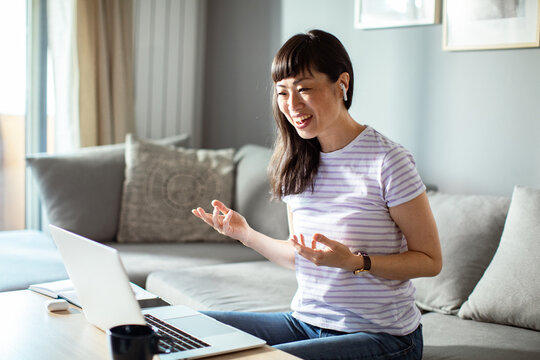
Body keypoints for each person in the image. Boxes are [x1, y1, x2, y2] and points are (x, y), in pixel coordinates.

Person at [192, 29, 441, 360]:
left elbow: (430, 260)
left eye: (304, 89)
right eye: (282, 93)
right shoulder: (297, 160)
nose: (292, 105)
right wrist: (245, 234)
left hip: (384, 337)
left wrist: (356, 262)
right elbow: (301, 255)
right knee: (193, 328)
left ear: (342, 84)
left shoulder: (387, 160)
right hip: (306, 323)